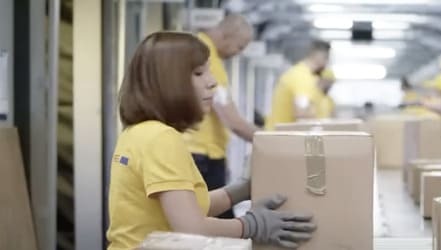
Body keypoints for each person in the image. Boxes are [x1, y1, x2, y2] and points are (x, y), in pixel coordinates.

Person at [107, 32, 315, 250]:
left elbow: (188, 208)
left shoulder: (138, 132)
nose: (212, 82)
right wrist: (250, 225)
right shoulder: (161, 139)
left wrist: (239, 190)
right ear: (168, 83)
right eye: (199, 73)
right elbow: (191, 228)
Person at [187, 14, 260, 218]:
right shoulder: (206, 56)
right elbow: (232, 120)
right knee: (213, 220)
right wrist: (272, 142)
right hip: (202, 156)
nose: (239, 53)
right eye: (240, 46)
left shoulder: (202, 52)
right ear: (227, 35)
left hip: (206, 154)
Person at [266, 40, 331, 129]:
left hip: (281, 135)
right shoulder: (302, 77)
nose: (326, 63)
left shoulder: (299, 73)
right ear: (318, 56)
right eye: (326, 58)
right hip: (280, 138)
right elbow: (302, 113)